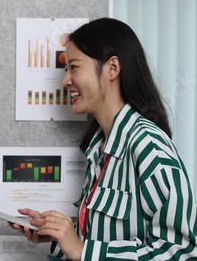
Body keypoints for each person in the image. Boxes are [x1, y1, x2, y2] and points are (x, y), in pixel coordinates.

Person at [10, 17, 197, 260]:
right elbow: (108, 238)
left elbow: (181, 252)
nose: (65, 80)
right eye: (66, 69)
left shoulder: (149, 145)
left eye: (74, 67)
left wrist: (81, 250)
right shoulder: (98, 149)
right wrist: (61, 235)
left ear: (112, 68)